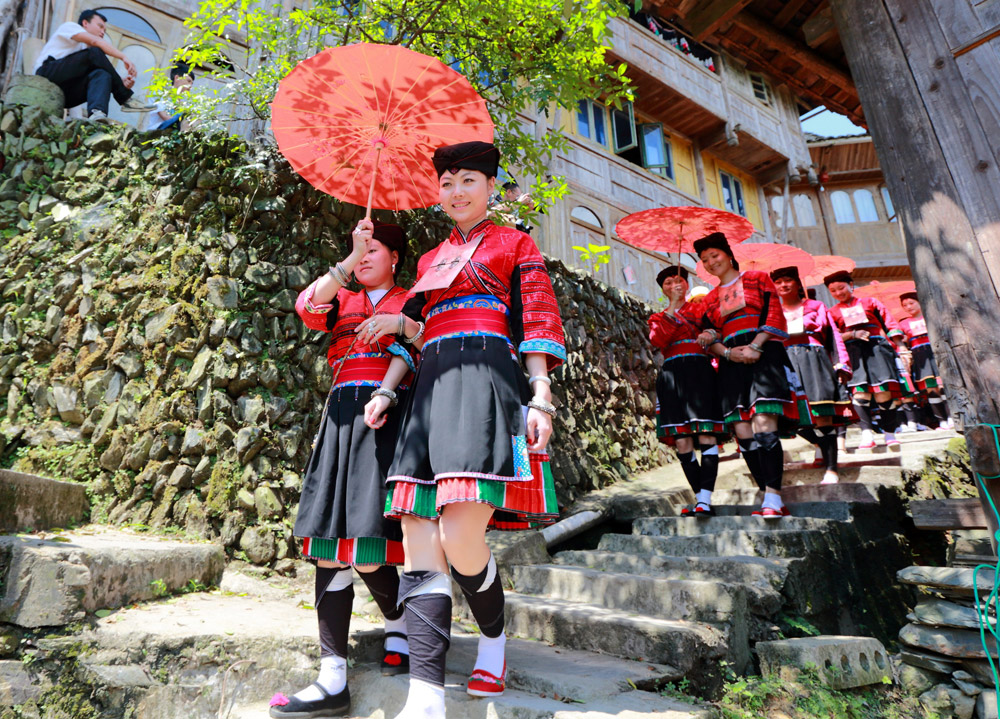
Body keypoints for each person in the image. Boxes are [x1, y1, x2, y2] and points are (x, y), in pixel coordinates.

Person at [367, 140, 564, 719]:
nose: (455, 192)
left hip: (486, 381)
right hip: (429, 389)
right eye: (447, 183)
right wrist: (389, 370)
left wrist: (541, 395)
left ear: (490, 187)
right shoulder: (428, 261)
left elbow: (538, 320)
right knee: (417, 538)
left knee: (459, 537)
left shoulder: (516, 244)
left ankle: (494, 638)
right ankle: (426, 695)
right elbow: (421, 333)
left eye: (467, 181)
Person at [271, 221, 421, 719]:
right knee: (331, 546)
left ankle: (399, 622)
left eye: (373, 248)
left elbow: (427, 342)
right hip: (340, 417)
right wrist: (346, 261)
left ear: (395, 256)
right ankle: (332, 676)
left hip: (389, 416)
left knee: (374, 545)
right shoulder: (342, 296)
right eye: (358, 248)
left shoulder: (413, 296)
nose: (363, 256)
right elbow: (306, 307)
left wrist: (399, 326)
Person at [694, 233, 805, 519]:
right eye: (705, 260)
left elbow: (773, 314)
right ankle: (766, 492)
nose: (710, 262)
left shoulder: (757, 279)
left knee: (763, 421)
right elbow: (712, 332)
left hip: (763, 353)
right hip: (731, 361)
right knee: (742, 431)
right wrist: (722, 348)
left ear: (729, 255)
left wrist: (756, 346)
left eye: (714, 255)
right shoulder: (708, 299)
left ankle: (774, 497)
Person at [648, 266, 727, 515]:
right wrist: (672, 306)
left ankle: (705, 499)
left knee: (706, 434)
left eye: (679, 280)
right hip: (671, 375)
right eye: (669, 283)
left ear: (688, 284)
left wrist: (710, 332)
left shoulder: (701, 308)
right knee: (682, 441)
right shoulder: (657, 317)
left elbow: (719, 328)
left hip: (700, 371)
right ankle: (699, 498)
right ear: (663, 289)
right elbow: (659, 340)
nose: (675, 285)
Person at [771, 266, 854, 484]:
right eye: (778, 282)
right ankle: (819, 445)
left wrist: (841, 364)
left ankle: (832, 469)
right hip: (786, 363)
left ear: (798, 284)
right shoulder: (772, 312)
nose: (783, 285)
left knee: (822, 414)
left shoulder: (816, 306)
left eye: (788, 280)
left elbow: (834, 337)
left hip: (814, 360)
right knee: (791, 417)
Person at [824, 271, 905, 452]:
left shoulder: (870, 302)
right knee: (860, 393)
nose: (838, 293)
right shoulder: (832, 312)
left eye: (841, 288)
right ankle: (867, 433)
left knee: (883, 392)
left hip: (877, 349)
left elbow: (889, 322)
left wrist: (901, 347)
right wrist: (852, 334)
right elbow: (833, 338)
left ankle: (890, 433)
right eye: (833, 291)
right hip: (852, 353)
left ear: (851, 285)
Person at [34, 10, 156, 121]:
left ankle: (97, 114)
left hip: (66, 94)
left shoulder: (87, 53)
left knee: (103, 74)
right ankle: (125, 99)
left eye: (104, 30)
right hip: (46, 75)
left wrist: (120, 82)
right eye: (100, 26)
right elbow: (96, 42)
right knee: (95, 51)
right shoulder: (70, 27)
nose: (102, 32)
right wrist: (123, 57)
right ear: (85, 23)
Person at [898, 291, 954, 430]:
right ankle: (941, 421)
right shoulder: (903, 323)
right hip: (920, 358)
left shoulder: (930, 317)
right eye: (905, 305)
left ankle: (952, 417)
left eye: (911, 303)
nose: (908, 307)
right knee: (931, 389)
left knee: (943, 387)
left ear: (919, 302)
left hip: (936, 352)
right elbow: (902, 342)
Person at [154, 64, 193, 131]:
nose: (190, 86)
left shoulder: (181, 103)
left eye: (192, 83)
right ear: (177, 78)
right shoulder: (161, 94)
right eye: (188, 81)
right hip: (155, 132)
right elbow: (165, 117)